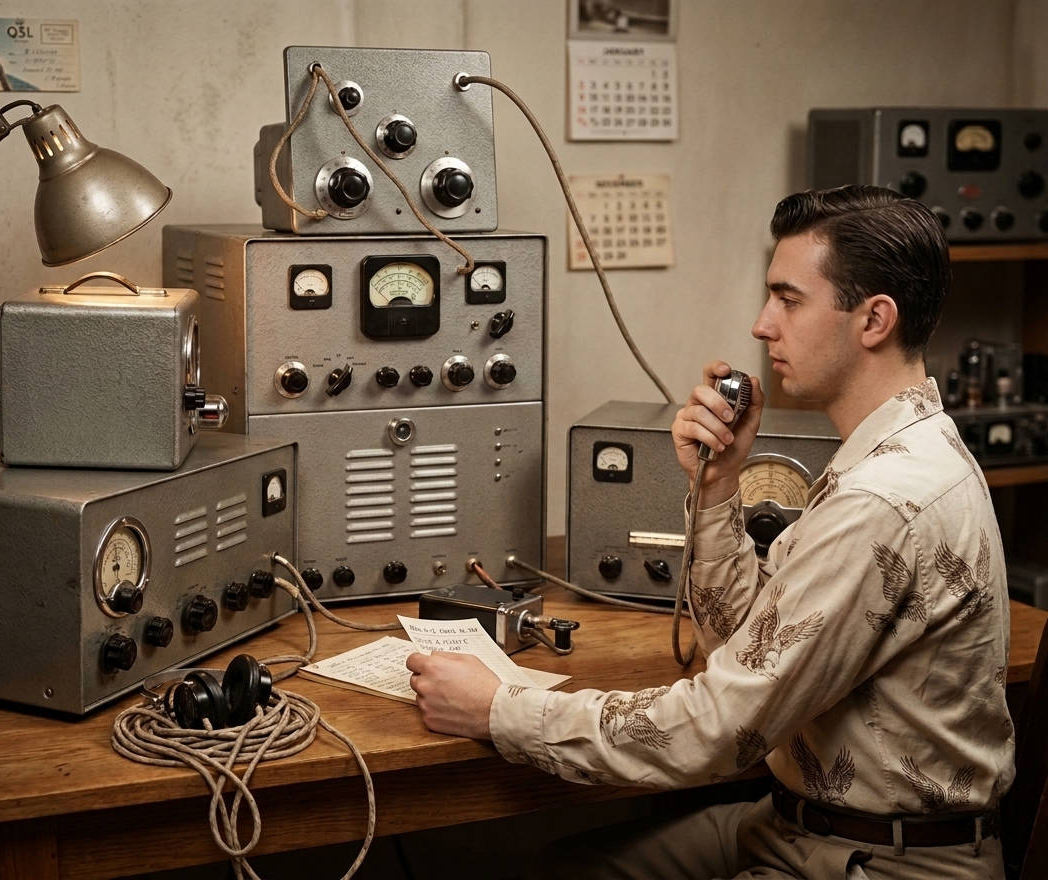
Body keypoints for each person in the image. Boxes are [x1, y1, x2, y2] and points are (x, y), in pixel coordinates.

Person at [406, 185, 1013, 879]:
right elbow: (743, 652)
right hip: (795, 823)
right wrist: (718, 486)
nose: (761, 325)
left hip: (880, 858)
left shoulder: (883, 500)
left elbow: (720, 729)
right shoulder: (895, 450)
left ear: (872, 319)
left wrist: (499, 710)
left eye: (787, 300)